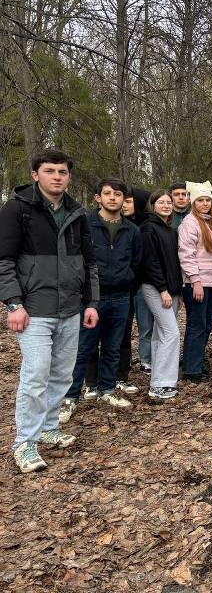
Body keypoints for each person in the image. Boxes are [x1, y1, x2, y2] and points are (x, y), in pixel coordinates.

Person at [0, 148, 99, 473]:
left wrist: (91, 303)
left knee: (62, 374)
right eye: (50, 171)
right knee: (36, 374)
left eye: (62, 172)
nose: (57, 177)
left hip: (70, 308)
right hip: (33, 310)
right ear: (35, 174)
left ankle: (48, 427)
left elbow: (89, 263)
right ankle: (25, 442)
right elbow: (4, 261)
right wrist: (13, 303)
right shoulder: (17, 209)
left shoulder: (77, 212)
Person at [60, 178, 142, 423]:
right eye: (107, 193)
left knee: (113, 346)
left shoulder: (132, 230)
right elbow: (74, 259)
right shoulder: (85, 224)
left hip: (121, 296)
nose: (113, 198)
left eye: (118, 194)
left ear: (124, 199)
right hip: (91, 298)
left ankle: (107, 389)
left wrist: (128, 280)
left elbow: (137, 262)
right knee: (83, 347)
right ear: (98, 197)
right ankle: (70, 397)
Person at [139, 190, 183, 400]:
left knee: (161, 333)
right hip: (155, 287)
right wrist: (163, 289)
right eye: (161, 202)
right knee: (171, 333)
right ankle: (161, 384)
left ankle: (158, 379)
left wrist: (177, 292)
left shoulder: (170, 231)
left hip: (171, 289)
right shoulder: (148, 228)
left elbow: (174, 264)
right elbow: (151, 262)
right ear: (153, 205)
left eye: (168, 202)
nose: (166, 205)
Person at [178, 180, 212, 382]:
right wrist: (195, 282)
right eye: (200, 200)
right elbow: (186, 254)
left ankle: (195, 361)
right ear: (193, 203)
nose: (205, 204)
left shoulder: (210, 222)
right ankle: (191, 369)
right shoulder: (190, 223)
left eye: (207, 200)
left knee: (207, 324)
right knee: (197, 325)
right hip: (196, 283)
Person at [129, 188, 154, 373]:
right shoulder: (123, 224)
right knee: (123, 326)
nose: (124, 205)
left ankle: (146, 359)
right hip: (125, 283)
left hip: (144, 282)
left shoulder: (147, 226)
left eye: (129, 201)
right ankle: (125, 360)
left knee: (146, 325)